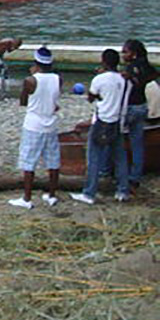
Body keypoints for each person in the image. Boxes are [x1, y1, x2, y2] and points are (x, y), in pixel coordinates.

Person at [72, 48, 130, 205]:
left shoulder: (99, 79)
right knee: (120, 158)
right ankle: (123, 191)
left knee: (94, 158)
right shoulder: (124, 80)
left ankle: (89, 193)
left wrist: (98, 91)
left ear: (103, 61)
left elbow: (91, 98)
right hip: (116, 121)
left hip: (101, 121)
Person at [9, 47, 62, 209]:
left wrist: (32, 76)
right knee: (53, 160)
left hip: (33, 124)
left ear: (36, 63)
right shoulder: (58, 79)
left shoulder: (30, 80)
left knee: (29, 161)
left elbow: (23, 101)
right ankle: (52, 195)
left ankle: (27, 198)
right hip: (50, 123)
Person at [120, 40, 155, 194]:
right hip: (142, 106)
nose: (123, 55)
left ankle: (113, 174)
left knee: (116, 141)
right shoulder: (147, 67)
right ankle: (135, 177)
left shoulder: (131, 68)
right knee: (137, 144)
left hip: (130, 107)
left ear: (133, 54)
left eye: (125, 52)